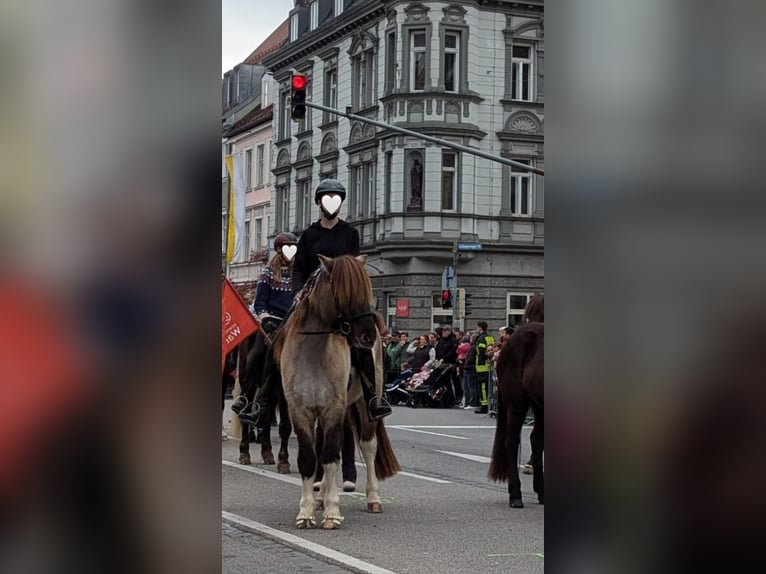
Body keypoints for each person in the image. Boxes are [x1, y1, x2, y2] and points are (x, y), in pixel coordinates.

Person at [251, 179, 392, 423]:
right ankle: (263, 399)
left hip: (343, 298)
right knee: (278, 337)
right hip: (313, 296)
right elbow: (299, 269)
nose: (331, 203)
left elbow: (355, 267)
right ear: (319, 203)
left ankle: (372, 395)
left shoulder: (350, 233)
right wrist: (297, 291)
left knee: (365, 340)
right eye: (327, 198)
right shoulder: (309, 234)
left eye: (336, 198)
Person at [233, 232, 297, 427]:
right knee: (258, 353)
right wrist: (266, 319)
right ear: (279, 250)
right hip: (271, 322)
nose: (291, 253)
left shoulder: (298, 275)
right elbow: (260, 302)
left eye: (294, 248)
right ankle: (246, 395)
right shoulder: (267, 274)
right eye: (288, 248)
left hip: (292, 324)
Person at [474, 321, 495, 414]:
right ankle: (487, 405)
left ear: (480, 328)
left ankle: (484, 406)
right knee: (488, 386)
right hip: (489, 365)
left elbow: (481, 352)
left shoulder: (481, 338)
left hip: (481, 365)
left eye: (477, 327)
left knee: (482, 387)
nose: (477, 329)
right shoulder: (490, 337)